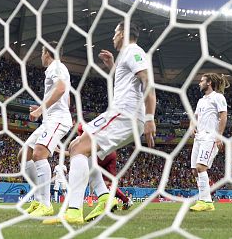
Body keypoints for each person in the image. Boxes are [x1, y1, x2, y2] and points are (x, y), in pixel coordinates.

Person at [43, 21, 156, 225]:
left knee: (77, 147)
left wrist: (150, 117)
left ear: (122, 33)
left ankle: (75, 211)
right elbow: (126, 83)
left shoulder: (133, 51)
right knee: (80, 150)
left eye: (115, 32)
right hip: (124, 115)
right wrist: (112, 66)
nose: (113, 36)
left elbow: (147, 81)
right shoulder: (126, 55)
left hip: (125, 114)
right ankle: (104, 197)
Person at [20, 41, 72, 217]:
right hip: (50, 119)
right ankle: (37, 199)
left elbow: (61, 88)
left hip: (57, 120)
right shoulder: (55, 69)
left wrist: (41, 110)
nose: (41, 56)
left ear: (47, 53)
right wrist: (43, 108)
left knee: (39, 154)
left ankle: (46, 204)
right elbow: (66, 98)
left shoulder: (56, 66)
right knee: (24, 155)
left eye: (42, 52)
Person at [189, 73, 229, 212]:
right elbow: (195, 116)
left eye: (202, 81)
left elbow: (223, 116)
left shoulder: (218, 97)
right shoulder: (201, 101)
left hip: (210, 137)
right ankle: (205, 200)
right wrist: (192, 125)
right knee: (195, 170)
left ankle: (205, 201)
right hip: (198, 138)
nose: (199, 83)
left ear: (209, 83)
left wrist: (219, 136)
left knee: (201, 167)